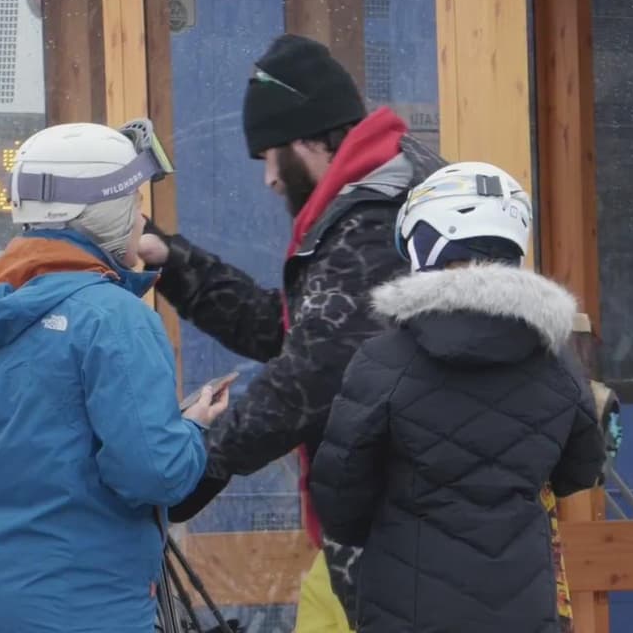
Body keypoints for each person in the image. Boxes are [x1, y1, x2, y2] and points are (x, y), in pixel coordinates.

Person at [138, 33, 444, 630]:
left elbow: (311, 375)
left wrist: (193, 470)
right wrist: (172, 261)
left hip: (404, 540)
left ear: (308, 139)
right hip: (382, 529)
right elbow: (292, 334)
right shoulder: (378, 205)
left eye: (270, 155)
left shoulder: (376, 220)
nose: (269, 179)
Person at [0, 120, 230, 633]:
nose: (141, 218)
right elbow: (154, 474)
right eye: (134, 202)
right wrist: (192, 429)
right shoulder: (115, 319)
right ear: (105, 213)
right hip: (86, 611)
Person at [309, 162, 609, 633]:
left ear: (426, 246)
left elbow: (339, 498)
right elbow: (582, 468)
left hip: (408, 608)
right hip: (524, 608)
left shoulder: (384, 361)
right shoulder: (557, 363)